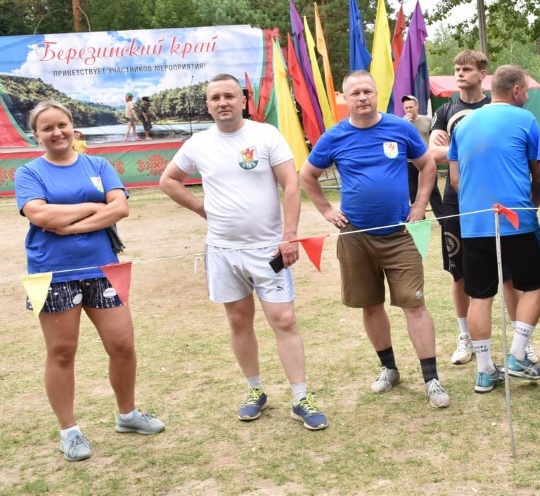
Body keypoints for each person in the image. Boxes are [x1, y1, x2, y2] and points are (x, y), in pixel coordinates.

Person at [159, 74, 327, 430]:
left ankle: (300, 397)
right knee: (238, 320)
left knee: (284, 319)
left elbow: (291, 184)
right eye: (215, 97)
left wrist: (290, 236)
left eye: (229, 96)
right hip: (222, 249)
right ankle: (255, 391)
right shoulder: (198, 143)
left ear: (242, 100)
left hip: (268, 248)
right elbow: (168, 180)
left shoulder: (265, 135)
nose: (223, 102)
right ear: (208, 105)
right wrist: (202, 209)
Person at [16, 101, 165, 462]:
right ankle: (69, 431)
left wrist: (70, 226)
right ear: (36, 135)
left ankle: (127, 415)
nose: (57, 133)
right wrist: (95, 207)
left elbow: (120, 207)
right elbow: (39, 214)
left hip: (103, 269)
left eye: (62, 125)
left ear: (73, 127)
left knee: (123, 345)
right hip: (53, 274)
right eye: (47, 128)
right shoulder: (29, 172)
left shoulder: (98, 165)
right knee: (62, 352)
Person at [299, 71, 450, 409]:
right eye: (355, 93)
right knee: (370, 304)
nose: (362, 97)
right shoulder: (334, 136)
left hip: (400, 234)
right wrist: (326, 210)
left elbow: (427, 165)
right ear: (346, 98)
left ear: (376, 93)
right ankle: (389, 368)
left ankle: (431, 379)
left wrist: (420, 205)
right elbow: (307, 175)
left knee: (415, 304)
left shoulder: (400, 128)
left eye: (367, 90)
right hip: (356, 236)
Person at [429, 50, 539, 366]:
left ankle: (520, 343)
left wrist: (460, 149)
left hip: (502, 206)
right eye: (456, 69)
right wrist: (466, 150)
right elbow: (432, 154)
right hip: (459, 203)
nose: (459, 74)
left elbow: (451, 153)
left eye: (465, 69)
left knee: (509, 277)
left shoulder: (495, 106)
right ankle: (466, 338)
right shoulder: (446, 110)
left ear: (483, 75)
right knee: (460, 274)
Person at [448, 64, 540, 393]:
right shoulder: (525, 119)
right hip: (516, 221)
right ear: (516, 90)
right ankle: (518, 354)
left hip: (474, 224)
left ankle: (484, 370)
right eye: (526, 91)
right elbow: (538, 173)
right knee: (536, 284)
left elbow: (454, 180)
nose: (527, 96)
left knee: (480, 295)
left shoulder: (462, 124)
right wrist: (532, 204)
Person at [402, 94, 443, 217]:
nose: (408, 110)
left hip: (427, 161)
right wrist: (405, 124)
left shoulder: (428, 120)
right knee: (413, 192)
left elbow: (435, 137)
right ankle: (419, 220)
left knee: (433, 191)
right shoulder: (401, 123)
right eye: (406, 108)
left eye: (411, 107)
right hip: (410, 162)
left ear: (417, 106)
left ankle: (443, 220)